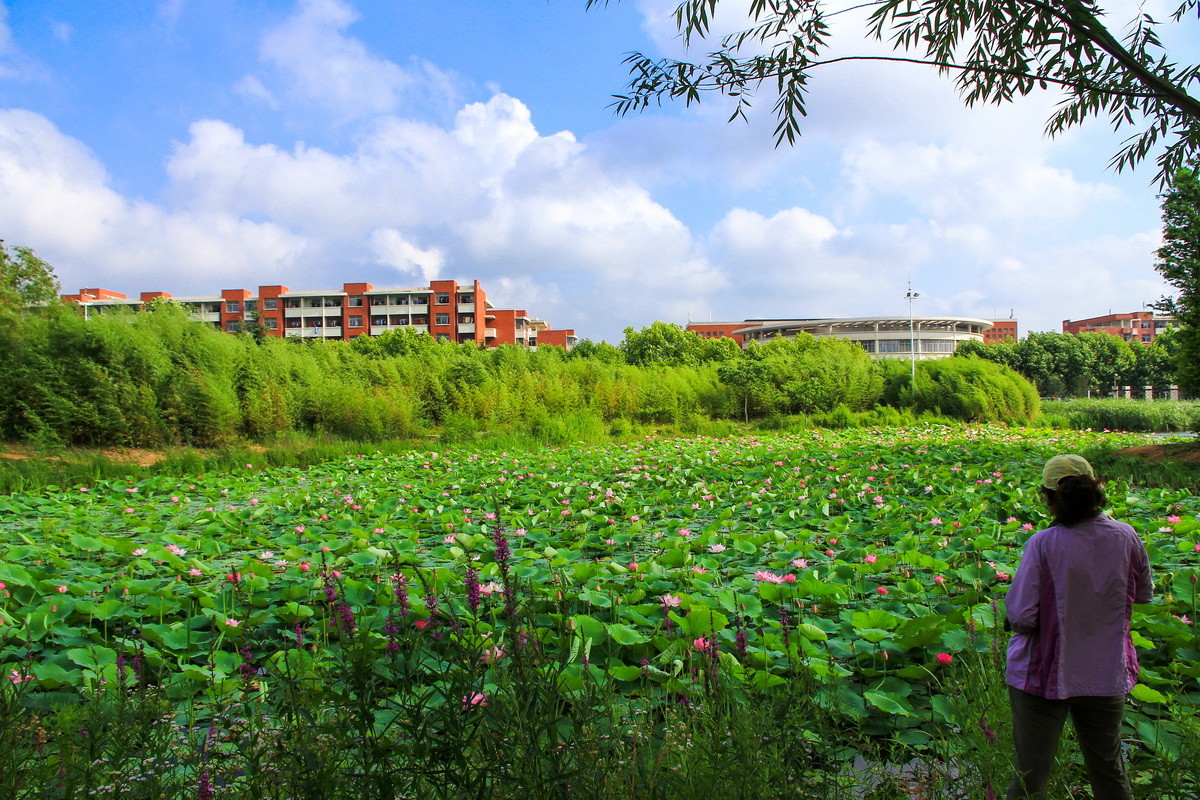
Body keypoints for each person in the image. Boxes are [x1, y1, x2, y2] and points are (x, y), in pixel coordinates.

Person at [1005, 454, 1153, 800]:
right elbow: (1143, 595)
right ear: (1096, 490)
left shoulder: (1043, 543)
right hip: (1105, 671)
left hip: (1042, 674)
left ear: (1050, 497)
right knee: (1109, 771)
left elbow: (1024, 616)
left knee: (1030, 775)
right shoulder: (1126, 536)